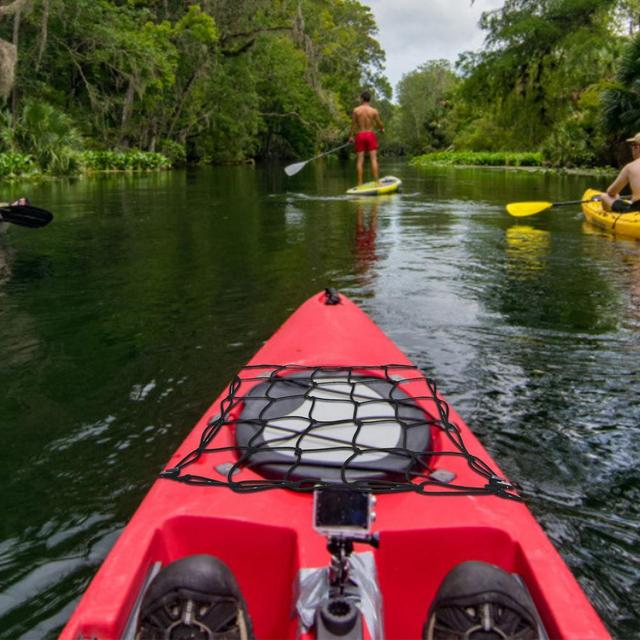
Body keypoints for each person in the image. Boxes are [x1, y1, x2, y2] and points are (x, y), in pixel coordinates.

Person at [349, 91, 384, 185]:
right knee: (373, 158)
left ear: (361, 99)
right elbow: (379, 123)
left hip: (360, 135)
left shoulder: (356, 110)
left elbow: (353, 125)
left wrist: (351, 136)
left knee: (360, 160)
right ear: (370, 99)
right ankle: (377, 181)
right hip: (370, 134)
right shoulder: (374, 111)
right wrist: (382, 129)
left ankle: (360, 183)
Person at [600, 133, 640, 212]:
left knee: (605, 196)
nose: (632, 148)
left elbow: (611, 192)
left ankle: (609, 215)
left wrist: (617, 197)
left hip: (636, 209)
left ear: (637, 147)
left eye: (633, 145)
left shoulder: (630, 167)